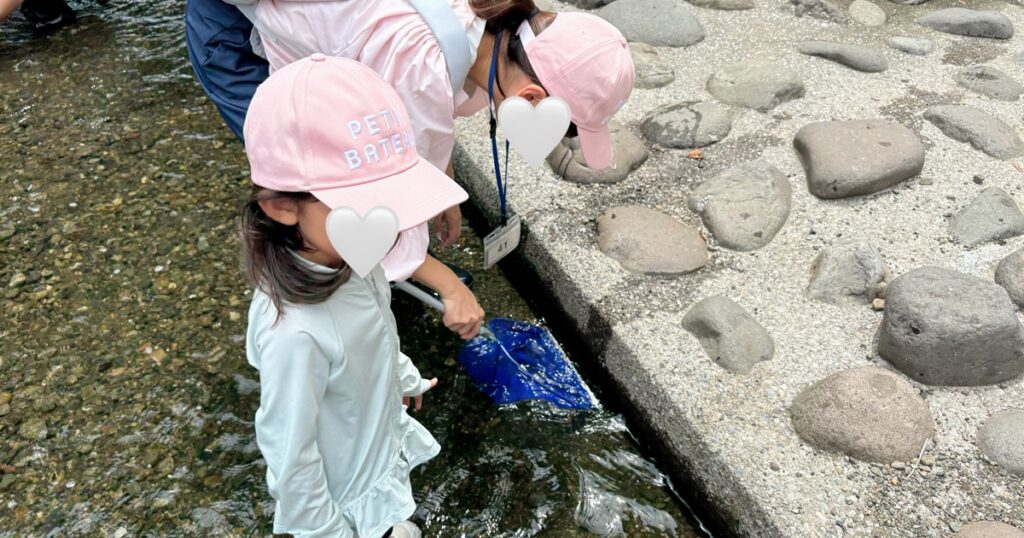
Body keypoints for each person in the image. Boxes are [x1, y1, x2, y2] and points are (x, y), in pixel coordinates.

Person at [184, 0, 635, 340]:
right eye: (565, 129)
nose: (555, 138)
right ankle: (318, 320)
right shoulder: (417, 67)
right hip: (234, 29)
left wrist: (443, 183)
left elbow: (420, 127)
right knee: (310, 194)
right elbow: (361, 202)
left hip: (295, 25)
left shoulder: (478, 24)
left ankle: (375, 284)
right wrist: (449, 288)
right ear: (533, 98)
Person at [242, 53, 465, 538]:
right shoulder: (295, 333)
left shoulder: (348, 251)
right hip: (346, 497)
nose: (389, 223)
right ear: (282, 207)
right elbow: (291, 459)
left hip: (375, 440)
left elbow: (376, 328)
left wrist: (402, 377)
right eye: (366, 205)